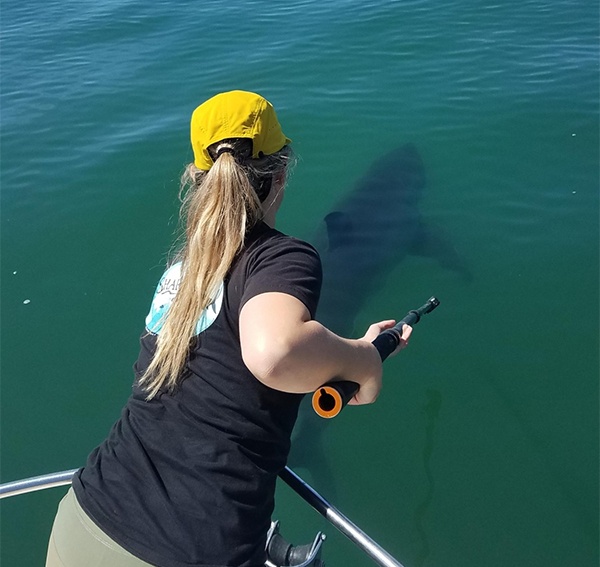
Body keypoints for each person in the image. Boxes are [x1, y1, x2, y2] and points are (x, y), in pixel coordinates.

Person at [45, 90, 412, 567]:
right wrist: (362, 356)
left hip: (85, 516)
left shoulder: (182, 272)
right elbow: (274, 353)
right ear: (281, 175)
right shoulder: (280, 256)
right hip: (187, 550)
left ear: (197, 180)